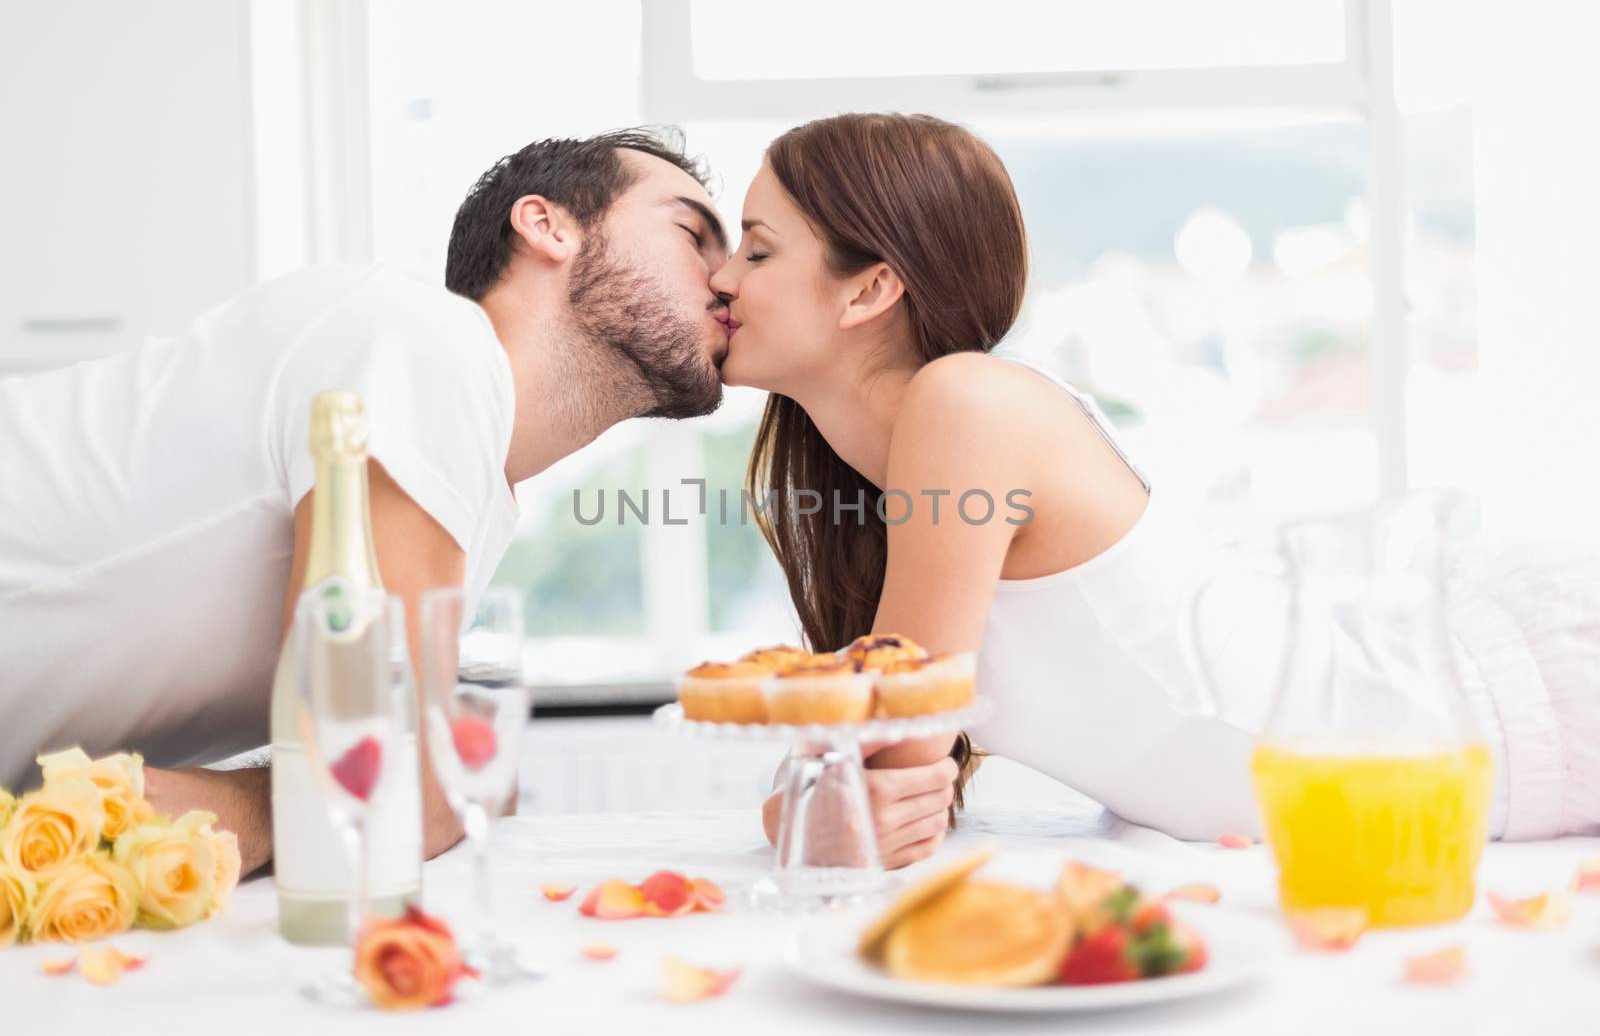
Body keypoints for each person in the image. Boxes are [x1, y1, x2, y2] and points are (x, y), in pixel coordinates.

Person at [711, 112, 1600, 857]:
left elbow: (888, 773)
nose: (720, 279)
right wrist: (816, 804)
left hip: (1494, 713)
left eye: (756, 252)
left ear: (870, 289)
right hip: (1406, 751)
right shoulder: (901, 470)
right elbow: (876, 793)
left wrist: (805, 807)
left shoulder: (965, 404)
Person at [0, 129, 735, 874]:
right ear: (547, 225)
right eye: (693, 234)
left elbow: (425, 785)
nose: (729, 278)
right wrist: (283, 800)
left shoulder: (469, 473)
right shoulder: (429, 343)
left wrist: (271, 800)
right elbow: (382, 794)